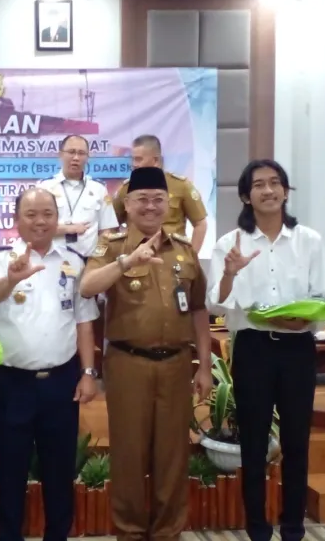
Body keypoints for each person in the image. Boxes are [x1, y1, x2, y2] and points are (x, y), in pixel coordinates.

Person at [80, 167, 213, 541]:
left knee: (173, 456)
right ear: (127, 204)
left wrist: (204, 366)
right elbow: (87, 287)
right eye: (142, 199)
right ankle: (131, 532)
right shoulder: (111, 244)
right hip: (128, 364)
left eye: (158, 199)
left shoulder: (184, 250)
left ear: (168, 204)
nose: (151, 206)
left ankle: (168, 532)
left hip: (176, 365)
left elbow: (198, 309)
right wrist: (127, 262)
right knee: (129, 454)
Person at [206, 159, 325, 541]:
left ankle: (293, 527)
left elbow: (323, 296)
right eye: (259, 184)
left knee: (296, 441)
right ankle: (257, 530)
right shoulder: (230, 244)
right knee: (254, 443)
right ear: (246, 196)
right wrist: (230, 273)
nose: (268, 190)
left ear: (285, 191)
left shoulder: (309, 240)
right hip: (254, 349)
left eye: (275, 183)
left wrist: (304, 321)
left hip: (297, 349)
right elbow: (215, 304)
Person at [0, 187, 99, 541]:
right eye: (31, 214)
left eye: (48, 213)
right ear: (17, 219)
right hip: (11, 383)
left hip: (61, 382)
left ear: (57, 219)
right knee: (10, 469)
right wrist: (11, 279)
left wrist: (88, 373)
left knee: (59, 471)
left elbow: (84, 321)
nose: (40, 221)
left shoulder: (73, 261)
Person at [112, 135, 209, 253]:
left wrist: (191, 258)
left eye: (139, 159)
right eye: (133, 159)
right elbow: (110, 225)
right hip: (135, 256)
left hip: (173, 256)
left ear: (156, 161)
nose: (134, 164)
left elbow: (200, 224)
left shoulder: (181, 186)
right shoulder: (126, 189)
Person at [37, 134, 119, 262]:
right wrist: (68, 229)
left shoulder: (99, 189)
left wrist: (98, 260)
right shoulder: (44, 187)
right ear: (60, 154)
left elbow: (107, 230)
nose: (76, 158)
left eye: (81, 153)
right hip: (52, 260)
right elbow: (37, 228)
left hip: (89, 262)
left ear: (87, 157)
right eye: (71, 152)